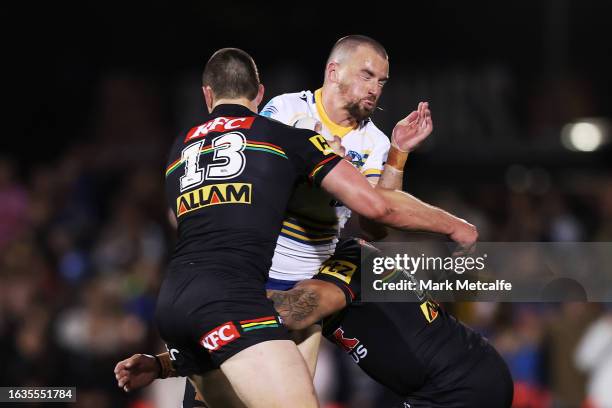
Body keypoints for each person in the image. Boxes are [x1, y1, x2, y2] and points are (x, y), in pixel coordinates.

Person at [144, 46, 478, 408]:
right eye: (367, 75)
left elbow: (376, 224)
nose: (375, 88)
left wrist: (397, 154)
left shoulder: (376, 142)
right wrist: (323, 166)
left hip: (305, 292)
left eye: (381, 81)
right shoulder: (286, 113)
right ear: (333, 73)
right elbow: (259, 181)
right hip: (257, 282)